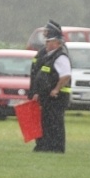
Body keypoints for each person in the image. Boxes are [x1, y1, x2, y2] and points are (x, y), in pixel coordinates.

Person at [28, 20, 71, 153]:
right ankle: (44, 146)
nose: (46, 43)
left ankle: (56, 148)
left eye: (49, 41)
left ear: (57, 43)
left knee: (55, 124)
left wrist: (56, 89)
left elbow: (66, 76)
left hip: (57, 98)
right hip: (47, 97)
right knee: (46, 123)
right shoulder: (47, 55)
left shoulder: (60, 57)